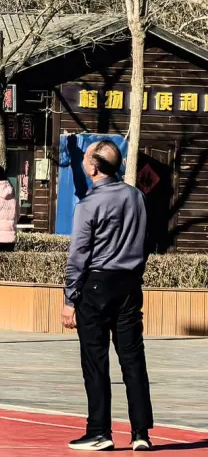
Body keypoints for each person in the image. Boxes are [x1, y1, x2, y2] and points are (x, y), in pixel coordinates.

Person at [62, 140, 153, 452]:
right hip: (129, 284)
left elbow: (78, 255)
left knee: (96, 360)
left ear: (93, 167)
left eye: (87, 157)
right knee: (133, 359)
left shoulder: (89, 204)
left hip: (97, 284)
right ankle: (141, 432)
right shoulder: (136, 196)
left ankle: (99, 430)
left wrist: (70, 298)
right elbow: (146, 240)